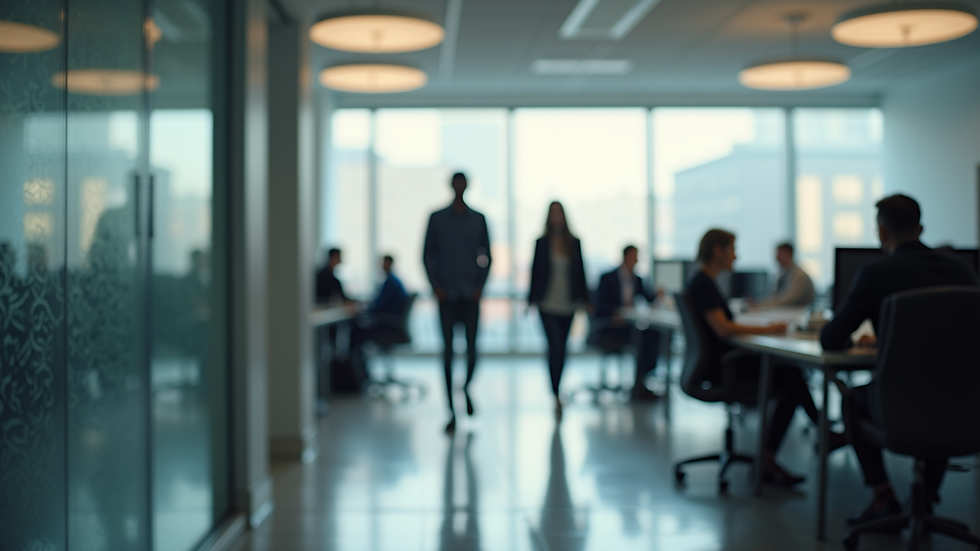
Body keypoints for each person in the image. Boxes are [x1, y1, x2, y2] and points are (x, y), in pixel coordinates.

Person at [820, 195, 979, 526]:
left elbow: (831, 339)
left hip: (898, 406)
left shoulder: (876, 272)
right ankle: (927, 496)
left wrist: (865, 340)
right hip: (965, 406)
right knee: (942, 393)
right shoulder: (963, 270)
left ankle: (883, 497)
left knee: (851, 401)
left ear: (881, 233)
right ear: (920, 228)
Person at [689, 229, 827, 485]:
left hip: (716, 363)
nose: (736, 255)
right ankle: (776, 455)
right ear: (718, 251)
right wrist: (769, 329)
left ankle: (816, 433)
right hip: (722, 368)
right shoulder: (704, 283)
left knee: (790, 374)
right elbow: (723, 329)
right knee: (791, 377)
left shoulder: (702, 280)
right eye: (732, 249)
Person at [423, 172, 492, 434]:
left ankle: (466, 387)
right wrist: (436, 287)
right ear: (451, 186)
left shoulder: (478, 219)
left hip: (470, 296)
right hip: (447, 297)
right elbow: (427, 255)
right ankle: (451, 410)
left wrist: (480, 286)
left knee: (472, 350)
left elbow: (487, 256)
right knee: (448, 353)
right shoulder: (437, 218)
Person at [528, 202, 590, 419]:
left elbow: (581, 271)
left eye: (559, 212)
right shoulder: (541, 243)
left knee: (562, 348)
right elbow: (535, 271)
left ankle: (558, 387)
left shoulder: (574, 242)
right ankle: (555, 393)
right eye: (552, 212)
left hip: (568, 304)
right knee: (554, 346)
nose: (556, 216)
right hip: (547, 304)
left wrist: (586, 300)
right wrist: (530, 300)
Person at [592, 245, 661, 401]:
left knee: (653, 333)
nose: (636, 260)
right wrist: (616, 311)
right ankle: (639, 386)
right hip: (610, 327)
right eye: (634, 256)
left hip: (628, 327)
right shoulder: (607, 278)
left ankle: (644, 378)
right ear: (625, 257)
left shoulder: (637, 279)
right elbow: (599, 305)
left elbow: (648, 298)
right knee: (642, 338)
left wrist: (657, 294)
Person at [351, 255, 409, 347]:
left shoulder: (390, 283)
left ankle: (355, 356)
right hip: (392, 321)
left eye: (384, 262)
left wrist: (361, 310)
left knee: (355, 331)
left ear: (389, 263)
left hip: (388, 323)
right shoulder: (394, 280)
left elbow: (379, 306)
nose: (382, 265)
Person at [754, 242, 815, 307]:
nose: (776, 258)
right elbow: (774, 296)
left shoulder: (799, 276)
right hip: (786, 311)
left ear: (788, 254)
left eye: (779, 254)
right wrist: (759, 302)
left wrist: (762, 304)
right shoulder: (783, 274)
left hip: (798, 311)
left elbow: (788, 300)